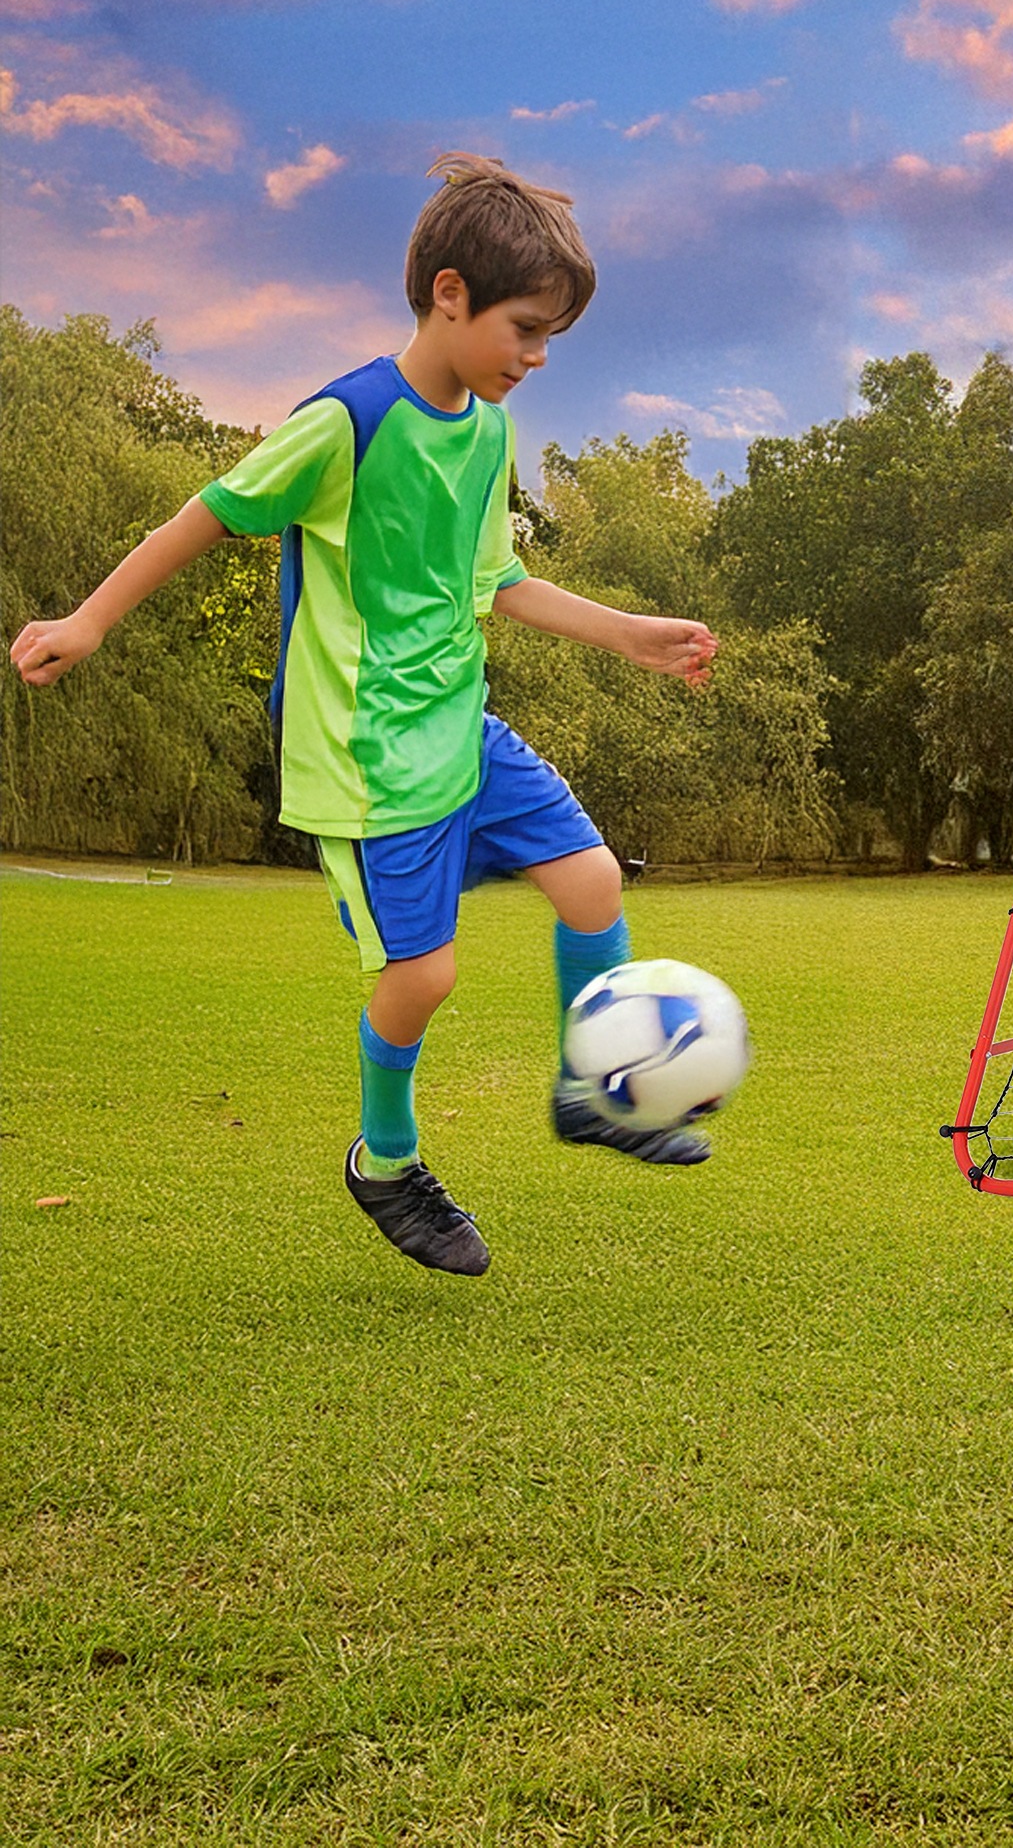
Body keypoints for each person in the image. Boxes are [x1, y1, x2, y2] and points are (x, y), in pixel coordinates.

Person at [9, 153, 719, 1279]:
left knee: (592, 881)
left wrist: (628, 631)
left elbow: (495, 582)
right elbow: (209, 513)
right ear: (449, 293)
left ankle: (600, 1091)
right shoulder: (345, 421)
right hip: (364, 756)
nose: (535, 359)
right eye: (525, 330)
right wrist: (90, 621)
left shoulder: (485, 434)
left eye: (548, 341)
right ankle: (385, 1161)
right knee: (422, 975)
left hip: (464, 726)